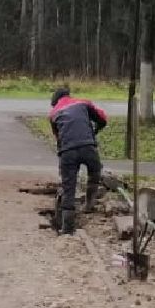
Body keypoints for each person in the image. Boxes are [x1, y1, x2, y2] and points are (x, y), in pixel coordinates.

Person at [48, 85, 108, 235]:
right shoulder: (83, 103)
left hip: (67, 151)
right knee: (95, 172)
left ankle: (67, 228)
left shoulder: (53, 114)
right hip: (88, 147)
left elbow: (58, 137)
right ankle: (89, 204)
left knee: (69, 187)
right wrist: (93, 132)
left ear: (55, 102)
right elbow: (103, 119)